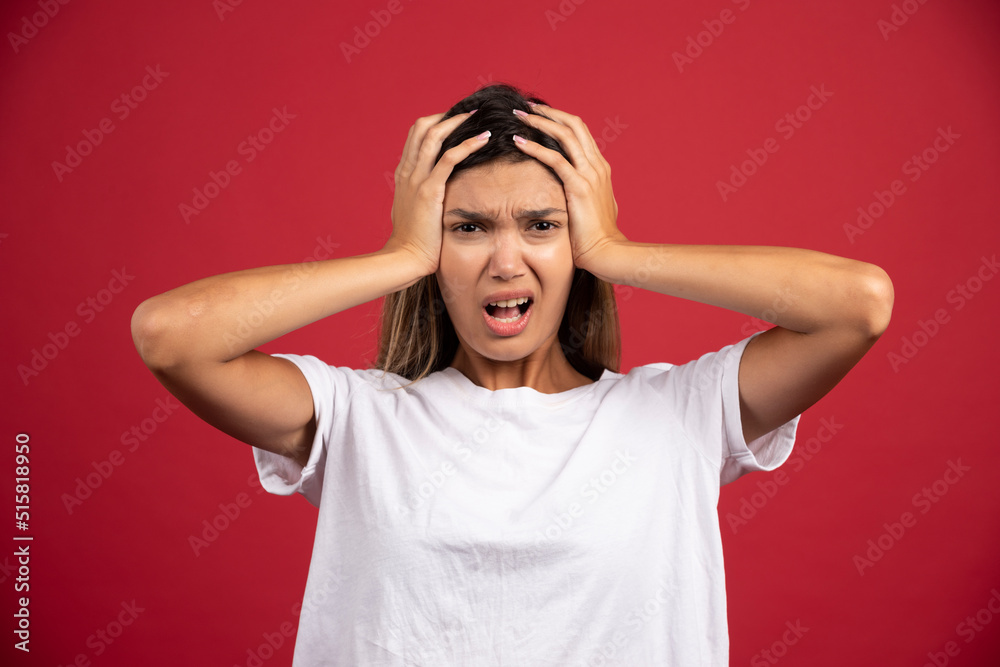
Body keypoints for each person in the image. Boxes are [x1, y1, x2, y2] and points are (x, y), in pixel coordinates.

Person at [130, 83, 893, 665]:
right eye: (468, 228)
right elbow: (172, 336)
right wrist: (398, 258)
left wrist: (618, 249)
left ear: (576, 248)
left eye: (541, 225)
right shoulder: (358, 417)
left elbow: (857, 305)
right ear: (434, 248)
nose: (505, 261)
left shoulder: (679, 414)